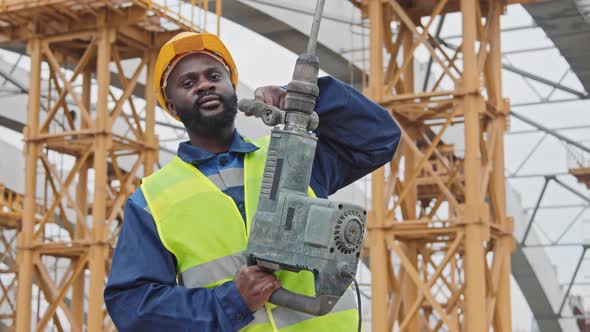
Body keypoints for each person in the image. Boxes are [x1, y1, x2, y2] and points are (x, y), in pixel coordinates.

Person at [104, 31, 400, 331]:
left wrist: (301, 99)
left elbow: (380, 138)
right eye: (188, 83)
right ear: (171, 103)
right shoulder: (152, 201)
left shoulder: (294, 158)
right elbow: (133, 306)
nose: (204, 84)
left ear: (232, 86)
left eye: (214, 75)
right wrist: (231, 301)